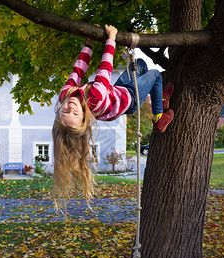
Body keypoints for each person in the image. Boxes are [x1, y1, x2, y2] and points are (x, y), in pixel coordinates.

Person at [52, 24, 174, 210]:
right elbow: (105, 68)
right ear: (84, 115)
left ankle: (157, 95)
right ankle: (159, 115)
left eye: (65, 112)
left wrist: (89, 42)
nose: (69, 107)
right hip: (130, 99)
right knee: (155, 74)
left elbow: (78, 70)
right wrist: (111, 37)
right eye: (75, 113)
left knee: (139, 65)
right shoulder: (93, 98)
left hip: (117, 92)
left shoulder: (65, 95)